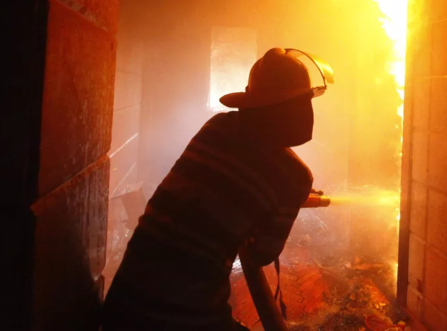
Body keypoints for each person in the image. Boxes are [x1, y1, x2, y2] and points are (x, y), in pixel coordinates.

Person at [103, 47, 333, 331]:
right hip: (186, 319)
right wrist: (282, 206)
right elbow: (262, 253)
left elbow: (225, 187)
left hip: (123, 304)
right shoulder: (295, 176)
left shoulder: (217, 127)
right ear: (292, 106)